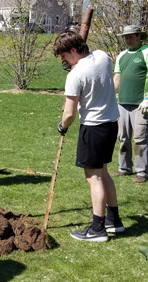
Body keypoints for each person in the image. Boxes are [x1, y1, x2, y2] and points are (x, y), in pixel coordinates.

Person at [53, 31, 124, 242]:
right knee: (103, 173)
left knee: (94, 178)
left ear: (74, 51)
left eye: (65, 56)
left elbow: (69, 113)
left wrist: (62, 126)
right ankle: (114, 221)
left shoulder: (75, 76)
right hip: (111, 124)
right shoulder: (102, 56)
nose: (64, 61)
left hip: (93, 128)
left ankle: (97, 229)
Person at [113, 25, 148, 183]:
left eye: (131, 36)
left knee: (140, 138)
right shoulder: (121, 56)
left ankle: (142, 172)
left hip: (141, 103)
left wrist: (147, 98)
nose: (128, 39)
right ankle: (124, 168)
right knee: (123, 137)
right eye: (126, 37)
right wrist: (110, 95)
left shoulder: (146, 52)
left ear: (139, 36)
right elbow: (117, 78)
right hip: (123, 103)